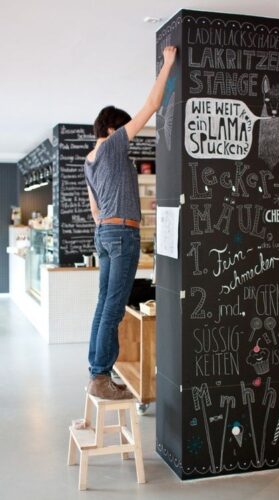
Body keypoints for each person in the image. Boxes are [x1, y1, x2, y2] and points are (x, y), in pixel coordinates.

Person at [84, 46, 177, 399]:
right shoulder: (110, 146)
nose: (129, 135)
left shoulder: (88, 161)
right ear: (111, 127)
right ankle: (101, 378)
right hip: (122, 232)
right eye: (123, 130)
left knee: (104, 303)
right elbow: (151, 106)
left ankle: (97, 372)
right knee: (113, 307)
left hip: (104, 232)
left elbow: (94, 211)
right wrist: (168, 63)